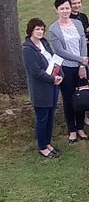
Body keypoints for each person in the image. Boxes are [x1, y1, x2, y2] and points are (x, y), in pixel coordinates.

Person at [49, 0, 89, 144]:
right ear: (57, 10)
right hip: (66, 68)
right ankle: (72, 129)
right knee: (68, 100)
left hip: (80, 67)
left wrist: (82, 65)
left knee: (81, 97)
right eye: (62, 9)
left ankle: (80, 127)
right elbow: (60, 51)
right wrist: (80, 59)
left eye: (67, 8)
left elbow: (83, 43)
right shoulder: (54, 29)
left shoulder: (78, 24)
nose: (65, 11)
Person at [22, 18, 64, 158]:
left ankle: (47, 142)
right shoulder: (28, 49)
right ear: (31, 31)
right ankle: (42, 147)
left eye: (42, 29)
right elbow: (36, 72)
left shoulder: (44, 43)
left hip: (52, 86)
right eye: (37, 29)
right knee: (42, 117)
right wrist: (53, 79)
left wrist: (60, 75)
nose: (40, 32)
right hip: (40, 89)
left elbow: (54, 59)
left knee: (50, 116)